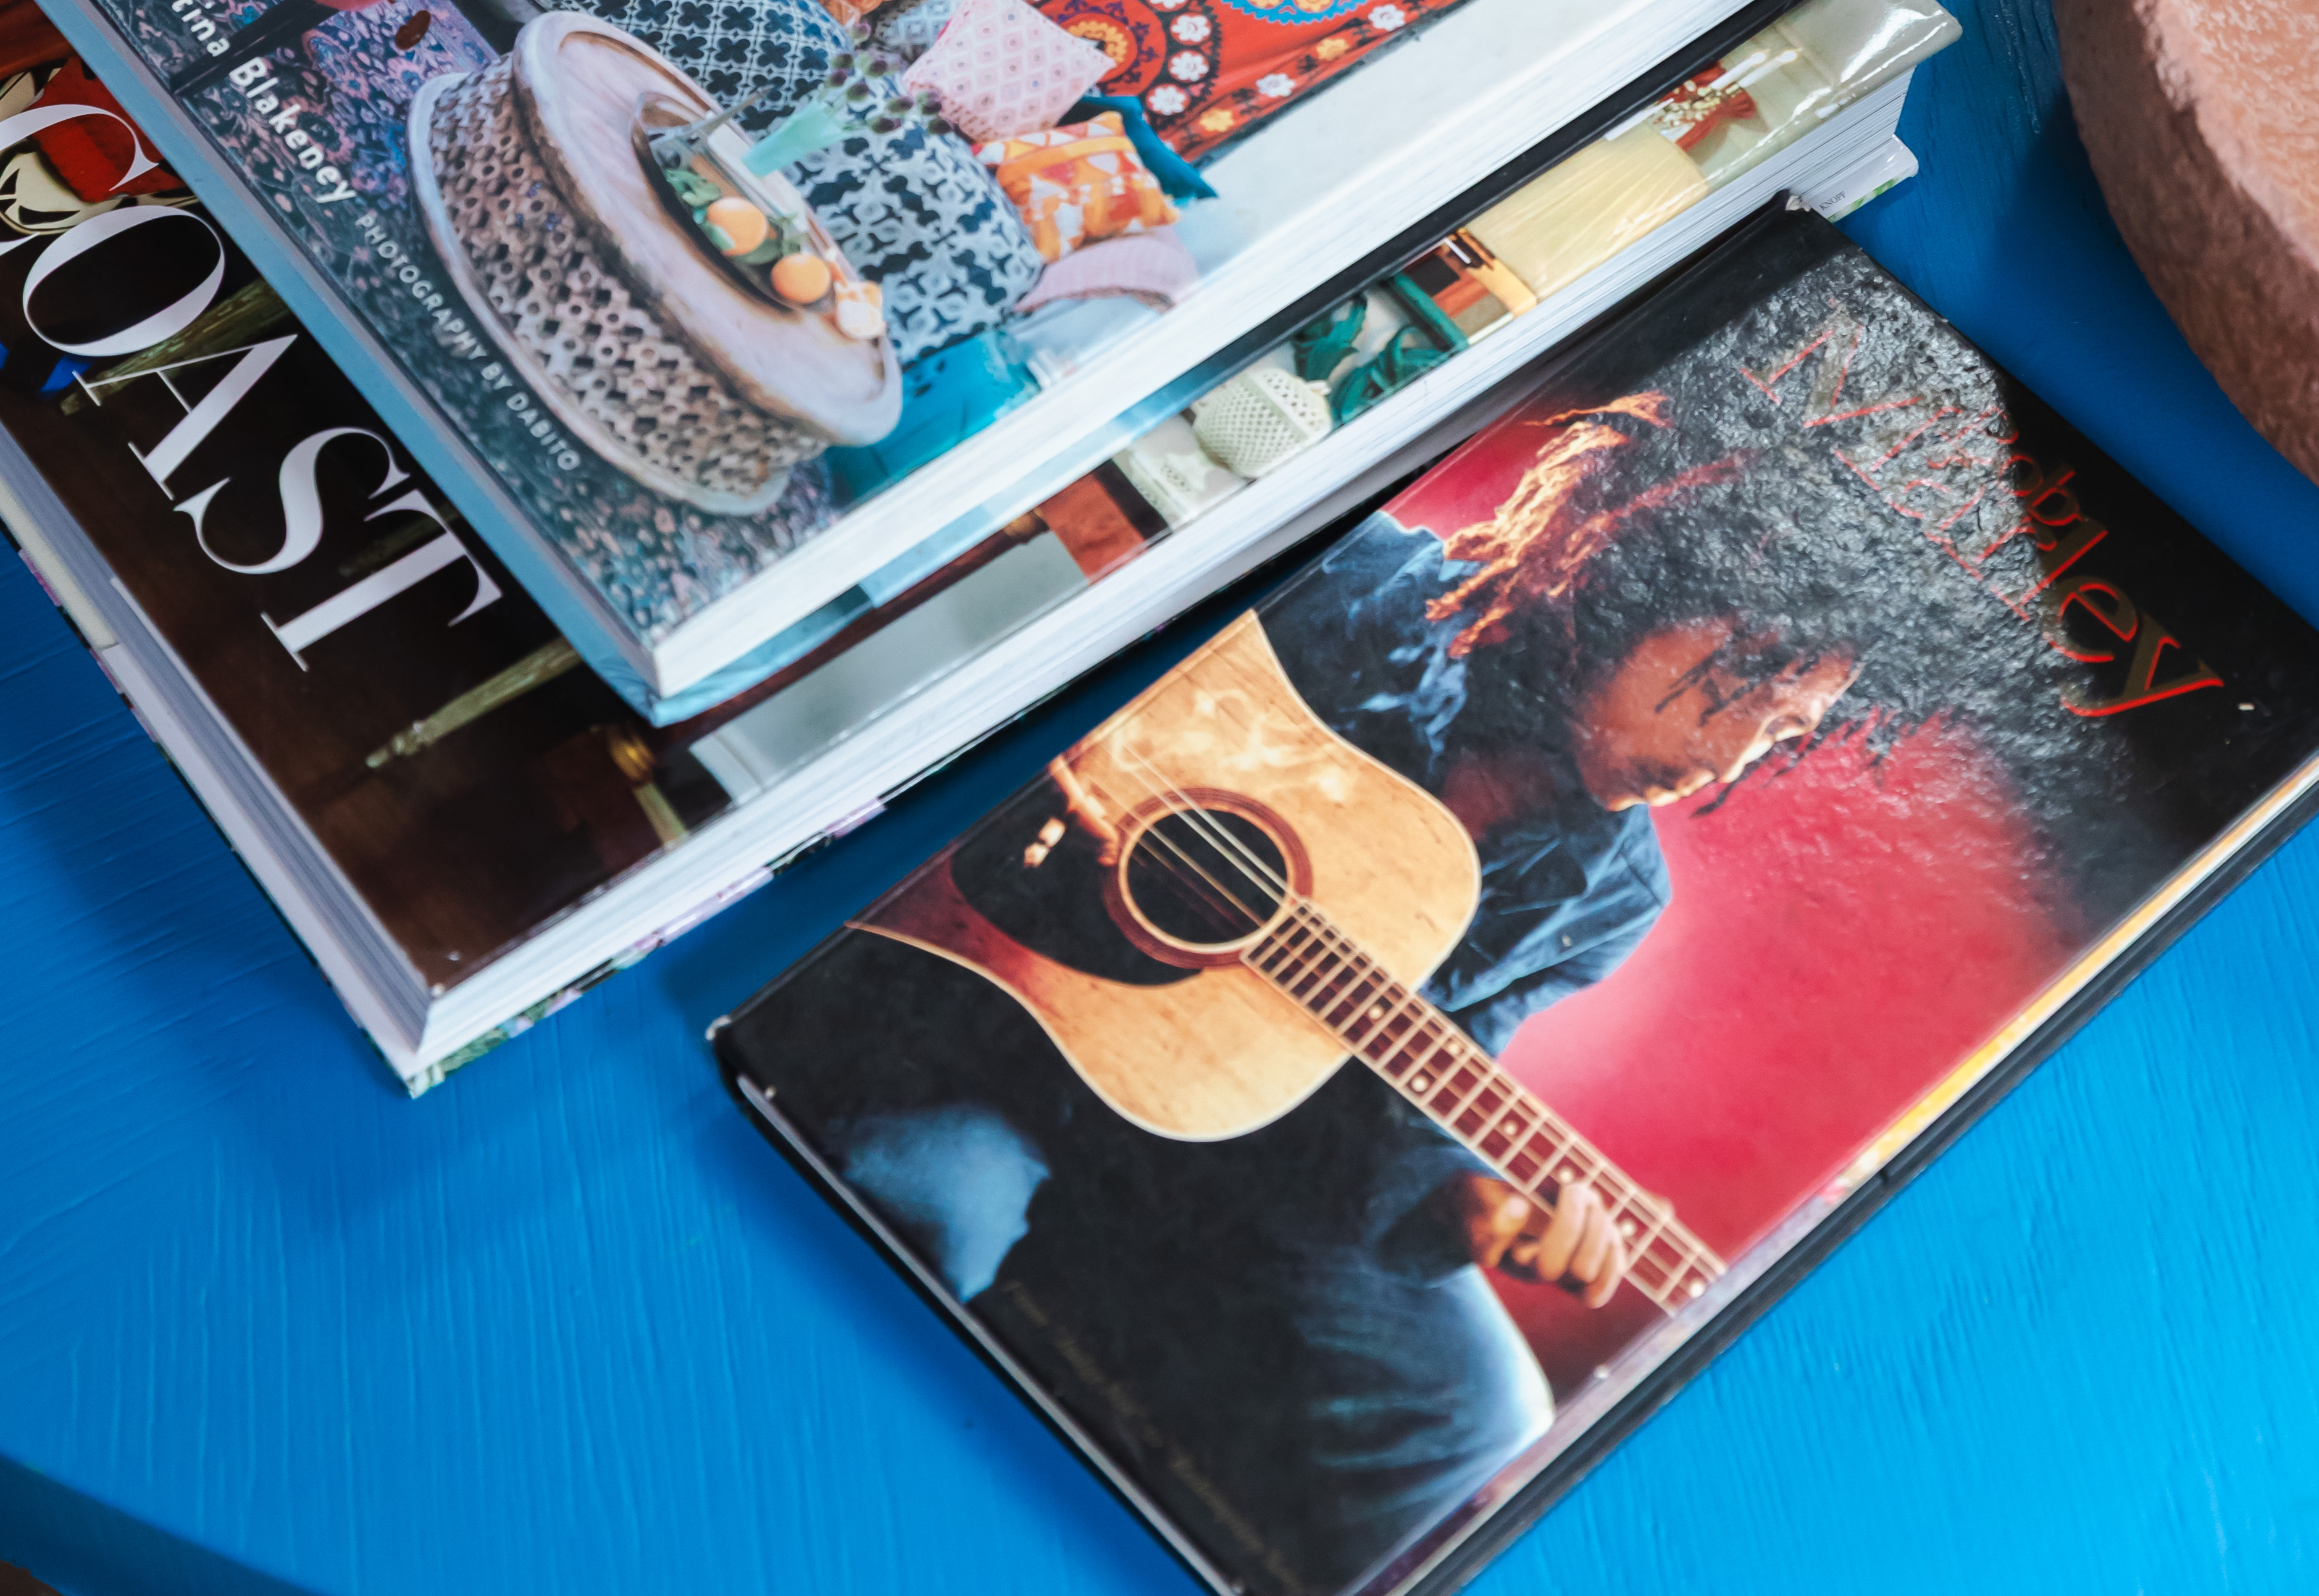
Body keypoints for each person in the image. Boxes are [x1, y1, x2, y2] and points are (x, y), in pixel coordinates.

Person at [759, 406, 1908, 1596]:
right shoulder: (1352, 583)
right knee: (951, 1200)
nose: (1727, 762)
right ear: (1636, 564)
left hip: (1238, 1134)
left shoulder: (1606, 895)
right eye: (1739, 683)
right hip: (984, 1001)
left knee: (1483, 1405)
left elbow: (1411, 1105)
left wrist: (1481, 1214)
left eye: (1780, 736)